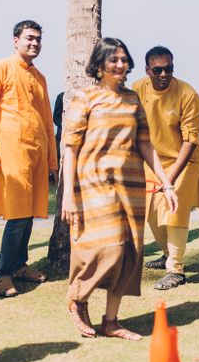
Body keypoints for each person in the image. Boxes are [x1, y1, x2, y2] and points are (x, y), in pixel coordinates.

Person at [61, 38, 178, 340]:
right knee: (107, 246)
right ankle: (78, 297)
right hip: (94, 185)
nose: (121, 64)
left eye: (125, 59)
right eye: (114, 59)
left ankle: (111, 321)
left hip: (132, 186)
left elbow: (144, 144)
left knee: (129, 252)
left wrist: (166, 183)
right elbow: (71, 148)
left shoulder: (132, 99)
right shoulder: (85, 97)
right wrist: (68, 195)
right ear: (99, 65)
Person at [0, 20, 58, 298]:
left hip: (37, 154)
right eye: (29, 38)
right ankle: (3, 274)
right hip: (11, 154)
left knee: (30, 214)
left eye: (38, 39)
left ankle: (20, 266)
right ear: (15, 40)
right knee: (17, 216)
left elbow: (48, 121)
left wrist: (52, 161)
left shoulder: (40, 77)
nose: (34, 43)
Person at [131, 46, 199, 289]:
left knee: (174, 210)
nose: (164, 74)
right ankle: (167, 255)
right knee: (153, 214)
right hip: (151, 161)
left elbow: (190, 140)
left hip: (183, 161)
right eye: (158, 70)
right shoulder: (136, 90)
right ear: (147, 70)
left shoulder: (187, 94)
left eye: (169, 69)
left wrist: (169, 182)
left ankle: (176, 270)